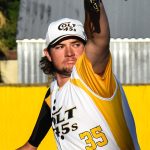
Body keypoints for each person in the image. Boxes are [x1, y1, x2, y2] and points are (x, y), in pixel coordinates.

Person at [17, 0, 140, 149]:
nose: (69, 53)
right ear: (47, 54)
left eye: (76, 44)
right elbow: (30, 146)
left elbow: (99, 38)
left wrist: (93, 3)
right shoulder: (53, 94)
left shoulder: (91, 75)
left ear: (85, 47)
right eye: (60, 46)